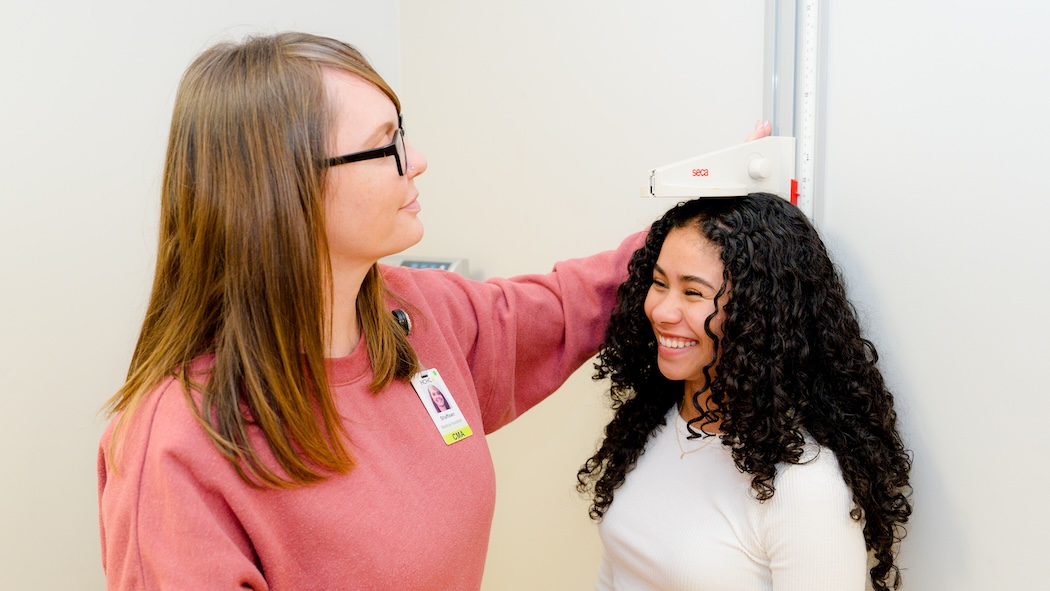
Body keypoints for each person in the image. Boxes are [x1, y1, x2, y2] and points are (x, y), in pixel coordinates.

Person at [96, 31, 650, 591]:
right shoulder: (178, 447)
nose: (417, 161)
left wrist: (715, 201)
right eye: (385, 145)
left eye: (401, 133)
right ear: (288, 187)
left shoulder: (417, 313)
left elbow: (574, 301)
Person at [577, 194, 912, 591]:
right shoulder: (653, 422)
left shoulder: (802, 485)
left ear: (755, 313)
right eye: (659, 283)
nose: (663, 311)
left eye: (693, 293)